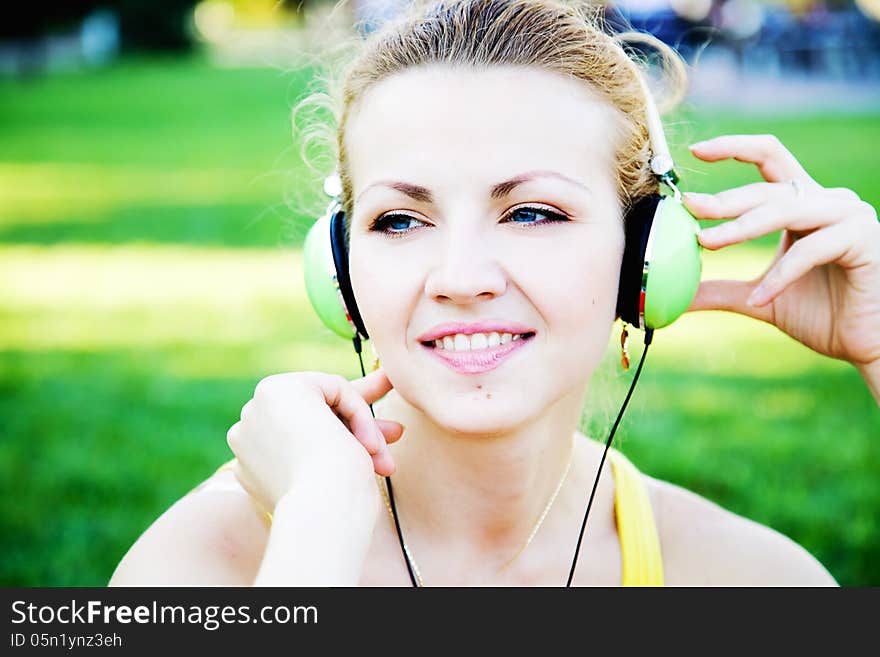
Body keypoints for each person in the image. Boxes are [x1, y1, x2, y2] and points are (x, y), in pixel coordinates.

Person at [108, 0, 879, 587]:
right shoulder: (203, 563)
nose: (462, 277)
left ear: (644, 254)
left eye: (532, 212)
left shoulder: (744, 579)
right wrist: (319, 530)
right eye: (401, 220)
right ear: (339, 267)